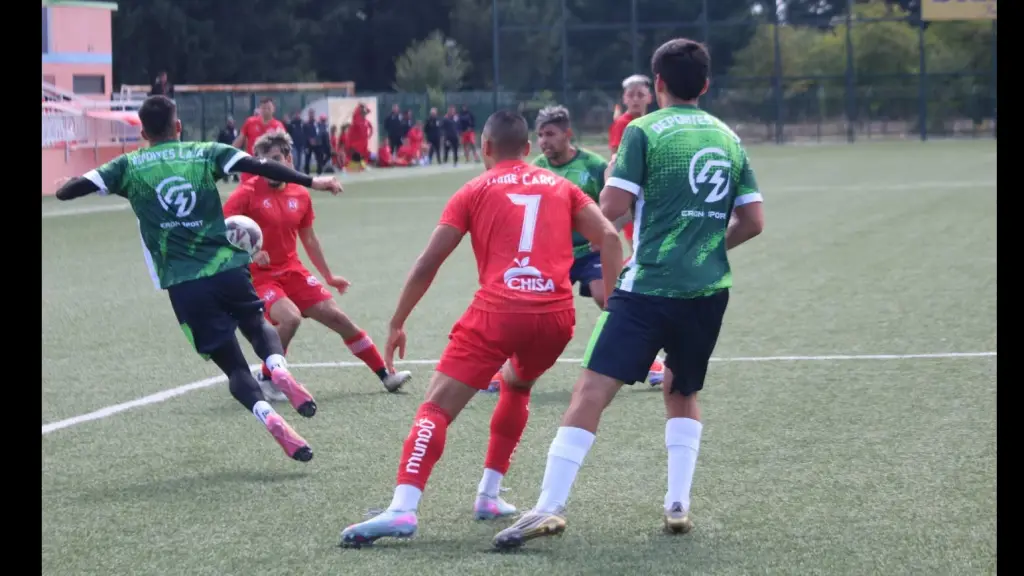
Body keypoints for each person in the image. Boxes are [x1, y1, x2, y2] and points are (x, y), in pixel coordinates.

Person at [492, 38, 765, 550]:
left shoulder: (642, 131)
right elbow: (753, 222)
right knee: (682, 389)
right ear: (705, 85)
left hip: (648, 288)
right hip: (707, 290)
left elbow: (612, 207)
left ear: (657, 84)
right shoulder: (730, 138)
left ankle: (549, 505)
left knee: (590, 391)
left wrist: (612, 177)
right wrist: (708, 248)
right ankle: (678, 504)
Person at [338, 110, 623, 547]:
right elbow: (609, 238)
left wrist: (397, 322)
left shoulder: (473, 189)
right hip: (554, 318)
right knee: (516, 384)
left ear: (483, 148)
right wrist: (617, 304)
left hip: (498, 312)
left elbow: (428, 263)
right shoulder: (562, 186)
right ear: (528, 149)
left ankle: (403, 508)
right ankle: (489, 495)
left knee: (435, 407)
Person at [54, 95, 344, 462]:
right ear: (178, 127)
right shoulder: (205, 151)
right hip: (227, 267)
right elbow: (261, 166)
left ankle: (269, 417)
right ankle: (278, 368)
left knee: (234, 368)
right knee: (256, 325)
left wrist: (66, 185)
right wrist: (312, 180)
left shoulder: (128, 165)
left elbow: (72, 190)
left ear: (143, 132)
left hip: (184, 282)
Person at [486, 105, 665, 392]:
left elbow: (626, 205)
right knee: (523, 309)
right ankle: (500, 370)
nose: (544, 141)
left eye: (550, 134)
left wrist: (608, 229)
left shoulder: (594, 166)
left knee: (608, 298)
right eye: (540, 135)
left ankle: (652, 362)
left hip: (590, 253)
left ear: (567, 134)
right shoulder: (536, 169)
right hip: (550, 256)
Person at [223, 131, 412, 400]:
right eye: (264, 162)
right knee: (290, 319)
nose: (270, 167)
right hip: (260, 278)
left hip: (293, 272)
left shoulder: (300, 193)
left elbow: (309, 238)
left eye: (276, 159)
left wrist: (329, 276)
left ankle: (386, 375)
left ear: (288, 159)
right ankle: (267, 379)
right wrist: (250, 254)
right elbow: (221, 231)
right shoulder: (246, 193)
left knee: (339, 319)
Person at [608, 74, 653, 260]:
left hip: (649, 192)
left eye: (640, 95)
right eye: (631, 95)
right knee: (639, 248)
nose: (635, 99)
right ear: (624, 98)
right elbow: (618, 156)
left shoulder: (652, 122)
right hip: (631, 193)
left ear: (650, 97)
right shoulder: (623, 123)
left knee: (644, 247)